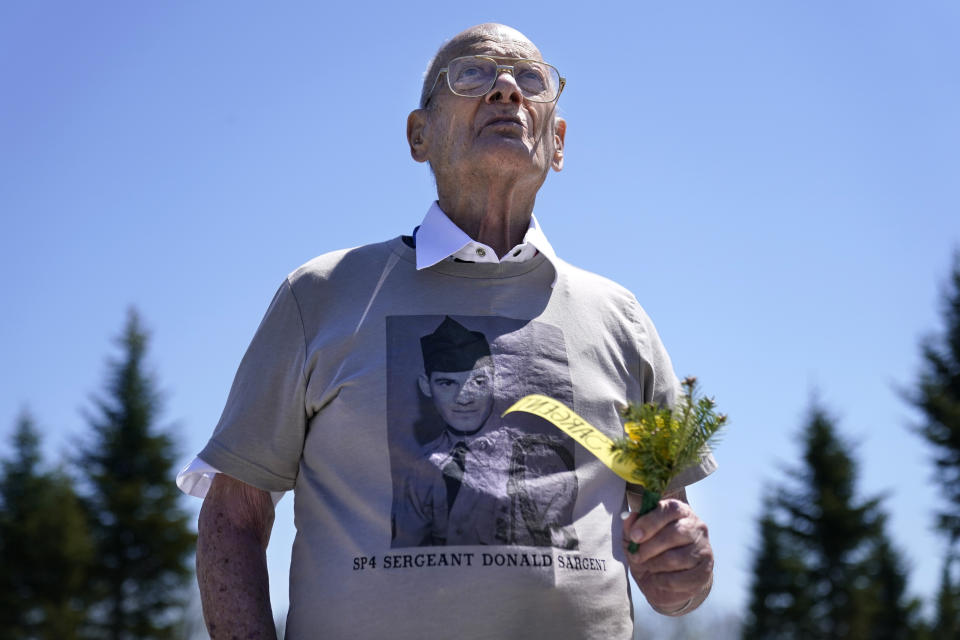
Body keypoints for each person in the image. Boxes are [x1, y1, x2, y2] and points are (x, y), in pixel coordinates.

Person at [178, 22, 717, 640]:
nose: (507, 90)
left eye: (530, 80)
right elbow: (233, 521)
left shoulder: (622, 319)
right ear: (419, 134)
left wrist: (687, 571)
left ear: (558, 142)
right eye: (473, 74)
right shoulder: (321, 294)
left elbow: (676, 567)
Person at [391, 315, 579, 549]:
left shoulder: (540, 456)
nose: (464, 397)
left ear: (496, 382)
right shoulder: (419, 473)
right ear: (426, 386)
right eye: (447, 384)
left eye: (478, 381)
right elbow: (404, 558)